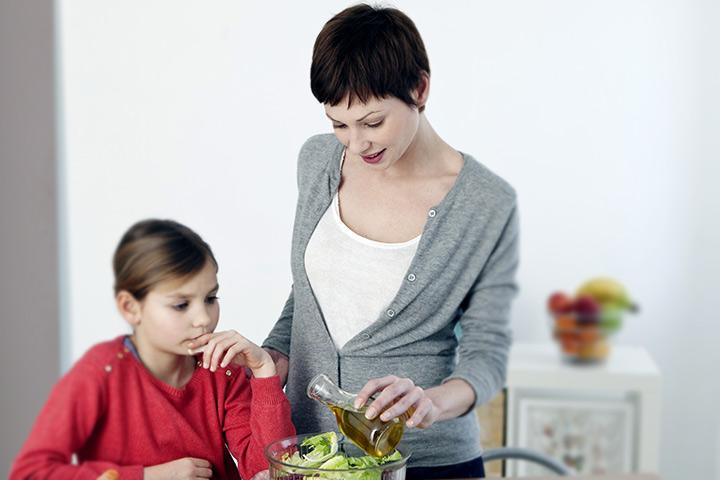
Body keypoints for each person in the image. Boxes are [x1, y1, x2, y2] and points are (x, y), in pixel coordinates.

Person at [262, 4, 519, 479]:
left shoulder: (487, 204)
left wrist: (432, 401)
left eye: (372, 122)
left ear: (419, 89)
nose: (356, 143)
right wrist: (275, 352)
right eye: (339, 123)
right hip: (315, 458)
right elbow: (309, 290)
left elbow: (488, 354)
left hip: (427, 461)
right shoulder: (317, 163)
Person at [11, 219, 295, 480]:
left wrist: (263, 372)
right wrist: (147, 476)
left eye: (210, 298)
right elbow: (32, 472)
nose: (204, 319)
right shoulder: (101, 372)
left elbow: (268, 472)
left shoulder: (222, 370)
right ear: (130, 307)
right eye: (181, 305)